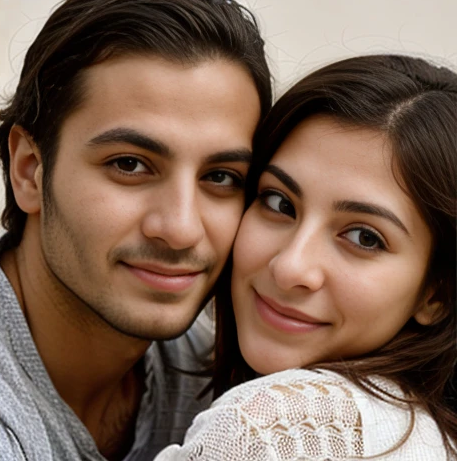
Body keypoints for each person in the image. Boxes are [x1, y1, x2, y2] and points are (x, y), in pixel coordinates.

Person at [0, 0, 272, 460]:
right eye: (130, 165)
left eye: (221, 177)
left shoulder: (211, 368)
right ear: (29, 171)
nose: (181, 228)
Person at [154, 54, 457, 459]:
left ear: (437, 294)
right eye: (279, 203)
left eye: (365, 237)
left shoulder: (270, 429)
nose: (289, 267)